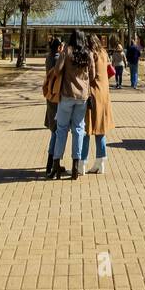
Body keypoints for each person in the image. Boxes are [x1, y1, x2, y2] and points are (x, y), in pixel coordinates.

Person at [48, 30, 94, 179]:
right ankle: (76, 164)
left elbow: (57, 70)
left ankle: (56, 163)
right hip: (82, 97)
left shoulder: (66, 52)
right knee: (79, 129)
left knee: (61, 129)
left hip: (67, 95)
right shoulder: (88, 53)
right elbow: (92, 76)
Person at [83, 34, 114, 175]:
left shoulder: (92, 54)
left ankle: (82, 161)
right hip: (104, 93)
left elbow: (90, 75)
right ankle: (100, 161)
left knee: (86, 129)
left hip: (93, 93)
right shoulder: (104, 52)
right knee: (100, 129)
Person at [43, 37, 62, 175]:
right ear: (59, 47)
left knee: (54, 130)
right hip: (56, 96)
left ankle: (54, 162)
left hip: (50, 95)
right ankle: (52, 163)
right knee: (57, 131)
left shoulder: (48, 57)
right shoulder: (57, 59)